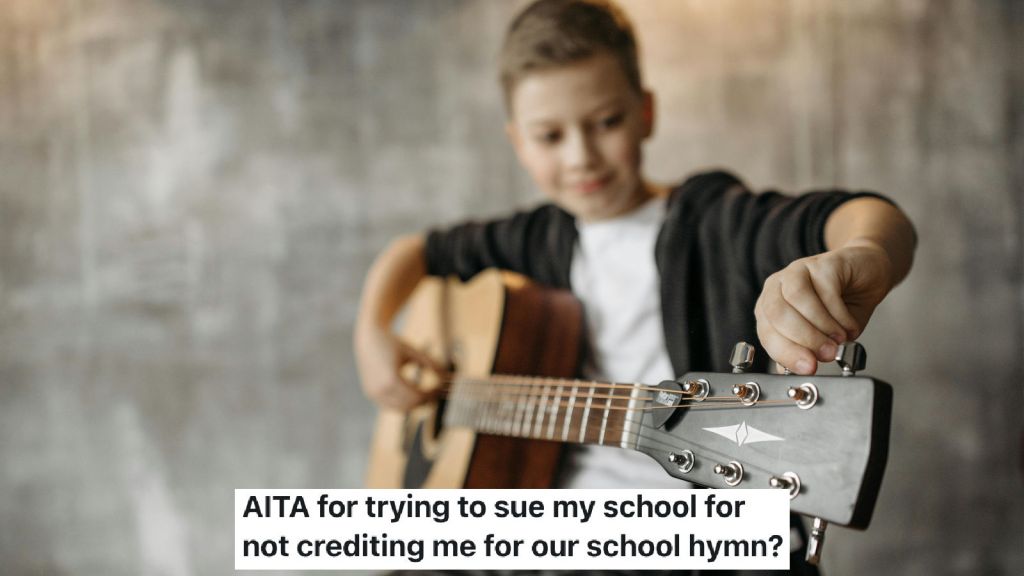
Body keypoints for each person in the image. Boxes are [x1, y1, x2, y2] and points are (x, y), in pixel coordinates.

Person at [355, 0, 915, 573]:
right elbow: (416, 252)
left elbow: (864, 216)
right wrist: (371, 333)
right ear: (518, 142)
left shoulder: (712, 222)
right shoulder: (537, 238)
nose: (581, 156)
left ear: (645, 112)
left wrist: (862, 253)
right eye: (549, 136)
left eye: (606, 122)